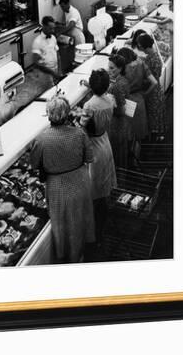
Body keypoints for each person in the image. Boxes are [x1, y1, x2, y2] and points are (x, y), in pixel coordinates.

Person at [30, 96, 95, 263]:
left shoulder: (42, 139)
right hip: (80, 182)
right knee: (79, 220)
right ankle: (79, 255)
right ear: (67, 114)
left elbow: (34, 164)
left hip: (57, 187)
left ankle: (64, 256)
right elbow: (90, 157)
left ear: (49, 114)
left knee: (61, 224)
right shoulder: (79, 133)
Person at [80, 69, 116, 244]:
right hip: (105, 141)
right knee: (104, 184)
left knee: (93, 188)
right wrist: (92, 87)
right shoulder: (110, 100)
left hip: (93, 147)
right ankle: (104, 220)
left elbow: (82, 126)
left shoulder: (89, 106)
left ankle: (93, 231)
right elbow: (102, 95)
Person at [117, 47, 157, 144]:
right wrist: (145, 94)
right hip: (139, 100)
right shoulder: (141, 64)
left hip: (127, 103)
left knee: (129, 136)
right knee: (138, 135)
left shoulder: (122, 69)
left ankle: (131, 157)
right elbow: (154, 82)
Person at [136, 33, 166, 138]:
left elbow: (154, 81)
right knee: (157, 116)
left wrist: (145, 94)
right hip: (156, 92)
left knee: (155, 116)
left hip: (153, 93)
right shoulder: (153, 55)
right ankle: (158, 135)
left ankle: (157, 137)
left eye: (139, 45)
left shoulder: (154, 59)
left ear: (144, 46)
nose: (138, 47)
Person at [107, 54, 132, 168]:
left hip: (117, 124)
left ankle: (118, 182)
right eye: (109, 67)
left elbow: (121, 110)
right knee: (121, 153)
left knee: (116, 154)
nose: (109, 70)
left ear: (120, 68)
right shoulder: (123, 80)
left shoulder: (116, 86)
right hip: (124, 123)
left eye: (112, 68)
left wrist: (110, 108)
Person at [31, 16, 61, 92]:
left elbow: (57, 54)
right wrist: (52, 73)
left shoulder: (53, 38)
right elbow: (37, 63)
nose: (52, 30)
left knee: (56, 91)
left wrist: (59, 71)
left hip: (55, 70)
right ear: (43, 26)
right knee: (48, 93)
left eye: (53, 28)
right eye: (50, 28)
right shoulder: (37, 42)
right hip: (45, 75)